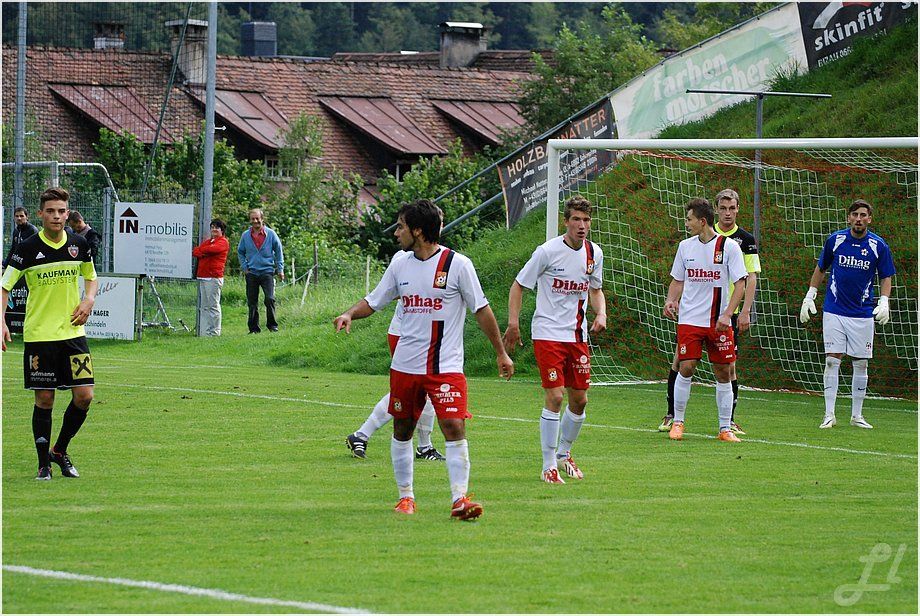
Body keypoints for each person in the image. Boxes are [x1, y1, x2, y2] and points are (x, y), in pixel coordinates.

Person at [334, 199, 513, 520]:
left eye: (401, 226)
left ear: (417, 230)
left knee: (454, 425)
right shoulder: (400, 264)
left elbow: (481, 310)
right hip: (405, 366)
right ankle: (406, 497)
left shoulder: (458, 265)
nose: (396, 232)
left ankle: (459, 499)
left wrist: (500, 352)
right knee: (403, 429)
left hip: (446, 367)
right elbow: (374, 301)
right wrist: (349, 313)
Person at [503, 195, 606, 484]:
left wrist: (601, 313)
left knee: (580, 401)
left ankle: (564, 453)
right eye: (576, 219)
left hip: (577, 335)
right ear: (566, 222)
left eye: (586, 220)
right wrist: (513, 323)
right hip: (547, 333)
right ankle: (548, 464)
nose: (582, 225)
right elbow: (518, 285)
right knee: (556, 396)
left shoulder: (594, 253)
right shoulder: (547, 252)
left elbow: (595, 290)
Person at [1, 187, 98, 480]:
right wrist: (1, 321)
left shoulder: (79, 244)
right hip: (40, 336)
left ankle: (59, 450)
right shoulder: (26, 248)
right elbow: (4, 287)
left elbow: (91, 277)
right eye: (51, 211)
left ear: (67, 214)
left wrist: (89, 299)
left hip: (73, 333)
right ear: (41, 214)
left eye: (61, 211)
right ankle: (43, 464)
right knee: (45, 400)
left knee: (85, 396)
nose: (57, 216)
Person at [659, 188, 761, 435]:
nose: (686, 224)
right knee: (686, 366)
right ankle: (678, 422)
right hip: (690, 319)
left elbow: (741, 283)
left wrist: (728, 314)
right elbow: (678, 280)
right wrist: (671, 300)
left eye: (689, 219)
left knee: (724, 372)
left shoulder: (730, 247)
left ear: (702, 221)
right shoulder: (685, 247)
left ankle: (725, 428)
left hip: (718, 321)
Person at [799, 199, 895, 429]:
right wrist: (810, 296)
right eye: (855, 215)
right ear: (849, 218)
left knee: (861, 363)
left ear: (869, 219)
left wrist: (884, 301)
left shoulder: (878, 246)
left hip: (862, 312)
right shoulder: (836, 240)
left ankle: (857, 416)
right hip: (834, 310)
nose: (858, 219)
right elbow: (820, 268)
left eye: (863, 215)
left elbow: (886, 276)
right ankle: (829, 414)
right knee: (832, 360)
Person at [345, 252, 444, 461]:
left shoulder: (441, 256)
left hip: (426, 334)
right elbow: (391, 291)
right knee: (409, 390)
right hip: (405, 333)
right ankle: (362, 434)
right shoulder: (403, 256)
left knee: (425, 390)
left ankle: (424, 447)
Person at [237, 208, 284, 333]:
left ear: (262, 219)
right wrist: (245, 267)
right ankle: (254, 329)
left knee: (270, 299)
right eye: (253, 219)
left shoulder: (271, 234)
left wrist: (280, 269)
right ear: (250, 220)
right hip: (251, 272)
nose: (255, 221)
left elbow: (278, 251)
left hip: (267, 271)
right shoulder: (245, 235)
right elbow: (240, 252)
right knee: (252, 302)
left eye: (257, 218)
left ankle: (272, 326)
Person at [193, 219, 230, 336]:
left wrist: (203, 251)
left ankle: (214, 332)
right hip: (203, 276)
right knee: (204, 306)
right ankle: (205, 331)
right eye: (212, 227)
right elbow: (195, 252)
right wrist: (204, 251)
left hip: (213, 277)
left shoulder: (223, 242)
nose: (214, 229)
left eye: (217, 227)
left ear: (222, 230)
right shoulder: (209, 242)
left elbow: (212, 249)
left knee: (213, 305)